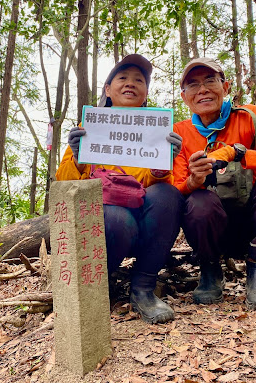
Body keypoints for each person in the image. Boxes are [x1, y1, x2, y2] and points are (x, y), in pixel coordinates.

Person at [56, 54, 184, 324]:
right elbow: (64, 187)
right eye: (123, 78)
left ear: (146, 92)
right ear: (108, 89)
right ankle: (102, 284)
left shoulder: (158, 132)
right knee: (116, 218)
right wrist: (78, 158)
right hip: (104, 224)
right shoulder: (88, 129)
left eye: (139, 80)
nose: (131, 84)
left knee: (168, 195)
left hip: (144, 223)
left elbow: (158, 193)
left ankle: (144, 289)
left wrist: (163, 166)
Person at [172, 57, 256, 309]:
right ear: (184, 96)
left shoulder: (250, 117)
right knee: (197, 200)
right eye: (193, 85)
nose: (202, 90)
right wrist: (192, 181)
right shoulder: (179, 132)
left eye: (210, 80)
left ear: (226, 86)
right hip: (211, 231)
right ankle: (210, 271)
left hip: (255, 225)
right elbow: (175, 189)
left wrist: (238, 153)